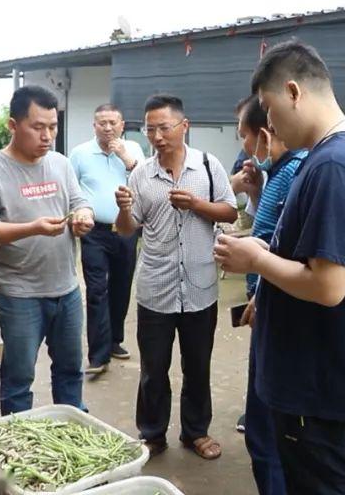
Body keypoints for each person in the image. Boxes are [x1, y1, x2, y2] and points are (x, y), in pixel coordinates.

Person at [214, 40, 345, 494]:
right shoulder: (329, 158)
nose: (269, 124)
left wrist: (257, 259)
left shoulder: (335, 167)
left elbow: (329, 286)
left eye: (269, 109)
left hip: (316, 386)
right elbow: (308, 258)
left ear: (293, 92)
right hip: (308, 378)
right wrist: (266, 296)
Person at [114, 94, 237, 461]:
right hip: (156, 288)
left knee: (197, 366)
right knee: (154, 369)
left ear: (184, 126)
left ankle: (195, 432)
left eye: (164, 127)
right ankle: (152, 434)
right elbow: (126, 229)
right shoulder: (140, 174)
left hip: (200, 288)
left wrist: (196, 204)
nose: (156, 136)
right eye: (150, 128)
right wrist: (122, 211)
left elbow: (230, 212)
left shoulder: (209, 167)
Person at [0, 86, 95, 416]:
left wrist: (83, 217)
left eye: (53, 127)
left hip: (66, 289)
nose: (48, 136)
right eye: (38, 127)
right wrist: (33, 228)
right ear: (13, 125)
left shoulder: (61, 164)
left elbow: (79, 202)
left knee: (70, 372)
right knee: (19, 379)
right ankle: (15, 441)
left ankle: (71, 430)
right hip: (20, 294)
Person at [231, 94, 308, 495]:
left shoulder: (296, 173)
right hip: (267, 303)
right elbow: (273, 231)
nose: (243, 145)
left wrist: (261, 291)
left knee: (265, 432)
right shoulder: (276, 174)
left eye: (244, 135)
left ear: (264, 133)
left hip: (277, 308)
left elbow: (288, 250)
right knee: (263, 427)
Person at [69, 104, 146, 373]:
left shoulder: (134, 150)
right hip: (94, 232)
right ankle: (98, 355)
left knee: (122, 286)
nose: (108, 127)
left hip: (126, 229)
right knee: (96, 290)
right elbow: (71, 190)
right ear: (94, 126)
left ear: (122, 125)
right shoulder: (79, 154)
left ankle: (114, 340)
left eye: (113, 122)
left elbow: (145, 183)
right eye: (102, 122)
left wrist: (126, 158)